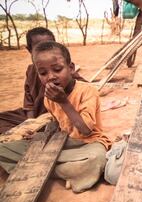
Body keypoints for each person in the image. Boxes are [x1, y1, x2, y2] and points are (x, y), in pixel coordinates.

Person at [0, 41, 112, 193]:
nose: (51, 77)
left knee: (97, 159)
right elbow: (58, 123)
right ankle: (56, 168)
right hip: (64, 145)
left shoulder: (87, 91)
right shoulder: (48, 98)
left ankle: (41, 168)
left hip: (88, 144)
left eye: (57, 69)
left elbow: (85, 130)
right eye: (43, 73)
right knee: (3, 149)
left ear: (71, 68)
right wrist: (39, 134)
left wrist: (63, 101)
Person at [0, 27, 84, 134]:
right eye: (43, 73)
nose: (50, 76)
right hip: (35, 116)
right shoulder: (31, 70)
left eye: (49, 46)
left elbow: (85, 86)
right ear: (29, 50)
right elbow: (29, 103)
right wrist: (31, 123)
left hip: (60, 114)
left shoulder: (65, 71)